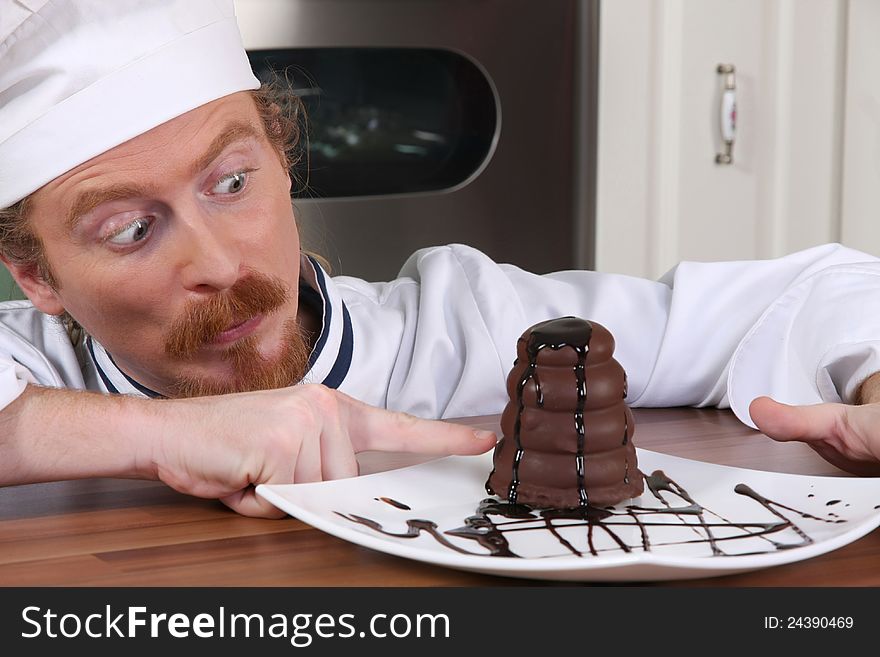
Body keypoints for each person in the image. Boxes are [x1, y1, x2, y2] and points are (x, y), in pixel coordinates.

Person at [0, 1, 878, 519]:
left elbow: (810, 292)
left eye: (232, 181)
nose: (221, 262)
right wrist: (164, 437)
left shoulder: (461, 330)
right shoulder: (32, 372)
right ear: (36, 276)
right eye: (130, 229)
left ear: (280, 153)